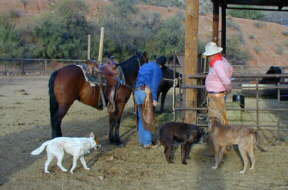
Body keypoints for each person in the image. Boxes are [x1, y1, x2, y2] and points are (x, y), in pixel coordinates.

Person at [134, 56, 166, 148]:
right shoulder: (158, 69)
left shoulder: (145, 65)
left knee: (141, 117)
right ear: (162, 65)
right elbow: (155, 84)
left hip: (137, 92)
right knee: (148, 118)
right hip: (146, 94)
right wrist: (155, 98)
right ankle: (148, 143)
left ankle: (142, 141)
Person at [204, 42, 233, 126]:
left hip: (216, 93)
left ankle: (219, 135)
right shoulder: (222, 60)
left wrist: (228, 87)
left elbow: (224, 78)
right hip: (218, 92)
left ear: (212, 55)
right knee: (220, 115)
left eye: (208, 56)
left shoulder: (217, 64)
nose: (208, 58)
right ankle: (223, 133)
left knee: (215, 116)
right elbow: (231, 69)